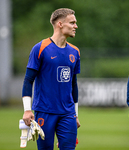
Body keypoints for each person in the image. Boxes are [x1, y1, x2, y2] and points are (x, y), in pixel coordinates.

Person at [22, 8, 81, 150]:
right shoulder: (40, 48)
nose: (76, 26)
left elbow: (74, 85)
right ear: (60, 24)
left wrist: (76, 114)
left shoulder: (75, 51)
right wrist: (27, 110)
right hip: (44, 111)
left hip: (68, 114)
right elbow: (28, 80)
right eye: (72, 23)